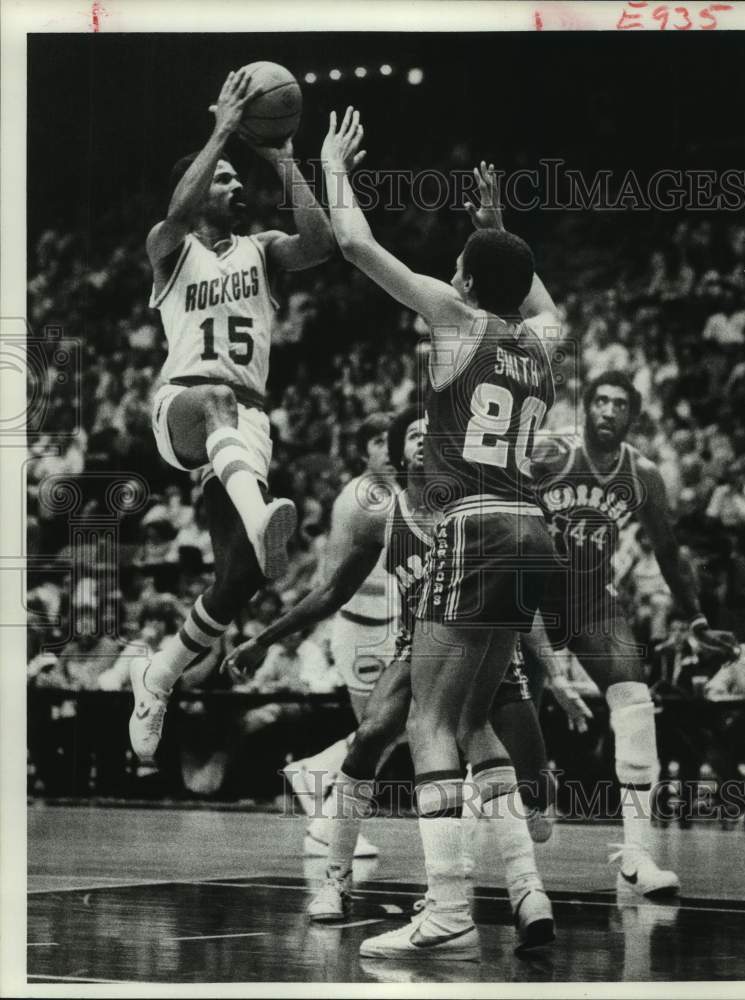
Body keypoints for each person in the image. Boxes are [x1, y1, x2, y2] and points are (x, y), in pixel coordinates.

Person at [321, 112, 560, 960]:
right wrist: (495, 229)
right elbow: (535, 288)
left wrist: (331, 165)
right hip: (534, 533)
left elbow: (354, 246)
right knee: (475, 720)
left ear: (462, 274)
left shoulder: (456, 317)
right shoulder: (544, 342)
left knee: (429, 720)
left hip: (473, 525)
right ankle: (527, 892)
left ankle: (449, 907)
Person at [226, 408, 588, 925]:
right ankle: (337, 879)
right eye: (414, 435)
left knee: (537, 799)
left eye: (433, 432)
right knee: (371, 735)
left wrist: (552, 672)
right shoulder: (382, 515)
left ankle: (519, 879)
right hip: (420, 648)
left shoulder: (472, 510)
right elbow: (330, 591)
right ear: (399, 454)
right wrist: (263, 639)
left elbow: (520, 605)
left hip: (491, 651)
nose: (425, 440)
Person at [129, 67, 344, 763]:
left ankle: (158, 678)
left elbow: (320, 244)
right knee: (220, 409)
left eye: (234, 177)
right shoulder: (171, 250)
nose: (235, 185)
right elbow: (177, 211)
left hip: (247, 425)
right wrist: (222, 129)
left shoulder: (261, 251)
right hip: (185, 406)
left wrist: (285, 161)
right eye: (222, 179)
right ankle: (260, 514)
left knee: (245, 576)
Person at [532, 369, 739, 894]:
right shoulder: (548, 454)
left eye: (619, 404)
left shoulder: (642, 475)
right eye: (599, 400)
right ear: (585, 408)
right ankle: (477, 847)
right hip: (526, 599)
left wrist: (694, 621)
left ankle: (636, 856)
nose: (606, 411)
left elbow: (668, 553)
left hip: (590, 602)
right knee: (503, 726)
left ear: (633, 416)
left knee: (636, 703)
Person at [281, 413, 399, 859]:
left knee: (391, 729)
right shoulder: (359, 497)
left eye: (394, 441)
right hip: (360, 630)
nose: (388, 450)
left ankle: (318, 781)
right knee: (381, 731)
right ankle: (327, 820)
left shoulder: (399, 493)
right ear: (363, 449)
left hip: (385, 630)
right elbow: (332, 577)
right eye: (378, 441)